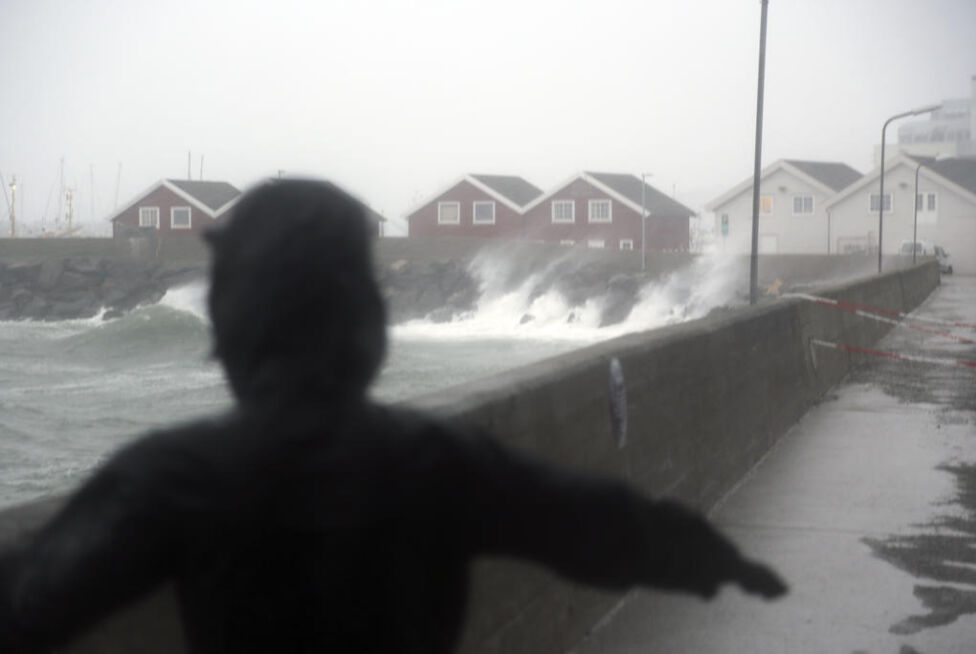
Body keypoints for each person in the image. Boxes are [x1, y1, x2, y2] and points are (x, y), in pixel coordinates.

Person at [0, 179, 786, 653]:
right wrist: (714, 560)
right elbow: (592, 525)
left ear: (237, 320)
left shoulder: (174, 477)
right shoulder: (432, 458)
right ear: (364, 316)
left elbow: (31, 603)